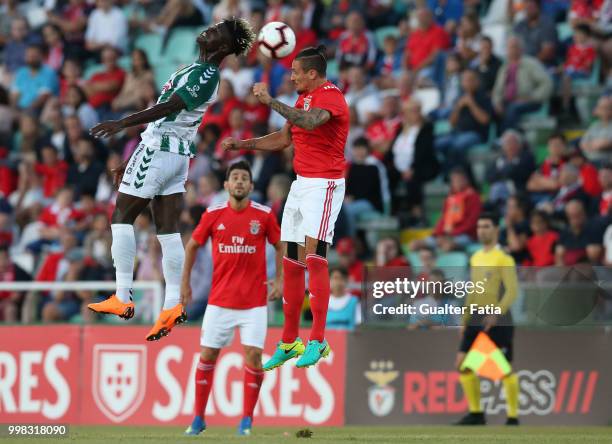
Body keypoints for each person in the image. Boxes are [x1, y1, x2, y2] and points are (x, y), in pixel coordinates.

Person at [86, 18, 256, 342]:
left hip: (161, 149)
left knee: (121, 216)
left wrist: (123, 123)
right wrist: (131, 158)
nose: (208, 30)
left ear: (221, 47)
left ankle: (122, 295)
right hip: (174, 153)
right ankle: (171, 306)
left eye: (216, 32)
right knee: (167, 230)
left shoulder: (206, 74)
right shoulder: (196, 69)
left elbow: (170, 106)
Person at [221, 45, 349, 369]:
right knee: (292, 262)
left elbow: (308, 123)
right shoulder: (303, 99)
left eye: (295, 72)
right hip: (301, 184)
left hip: (325, 184)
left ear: (312, 73)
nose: (291, 77)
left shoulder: (331, 96)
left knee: (315, 257)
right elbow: (283, 138)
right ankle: (290, 340)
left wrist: (270, 102)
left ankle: (318, 340)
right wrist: (245, 145)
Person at [181, 161, 282, 436]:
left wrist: (281, 279)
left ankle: (246, 421)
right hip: (219, 301)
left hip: (254, 304)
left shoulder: (263, 215)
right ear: (226, 185)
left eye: (244, 178)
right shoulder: (213, 214)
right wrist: (185, 284)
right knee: (208, 355)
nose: (239, 182)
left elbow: (280, 244)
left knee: (254, 357)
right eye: (234, 177)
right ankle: (199, 419)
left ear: (251, 186)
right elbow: (192, 246)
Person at [455, 212, 520, 426]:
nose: (482, 230)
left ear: (496, 230)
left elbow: (512, 291)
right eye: (479, 226)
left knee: (502, 369)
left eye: (486, 226)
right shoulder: (475, 257)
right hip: (475, 316)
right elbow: (473, 291)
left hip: (497, 318)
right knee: (463, 364)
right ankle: (476, 414)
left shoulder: (504, 258)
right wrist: (465, 319)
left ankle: (512, 417)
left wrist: (497, 312)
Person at [492, 36, 553, 132]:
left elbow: (546, 83)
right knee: (490, 110)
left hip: (529, 101)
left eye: (514, 47)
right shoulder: (504, 67)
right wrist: (497, 103)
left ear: (521, 49)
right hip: (508, 101)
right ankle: (490, 140)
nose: (512, 50)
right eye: (509, 47)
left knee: (513, 109)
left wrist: (532, 97)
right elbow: (497, 90)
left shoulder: (531, 63)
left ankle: (508, 138)